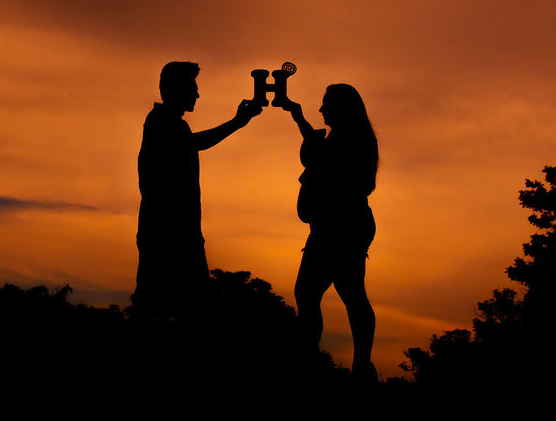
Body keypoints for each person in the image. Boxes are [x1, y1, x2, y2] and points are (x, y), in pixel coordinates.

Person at [134, 61, 262, 319]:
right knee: (173, 309)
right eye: (192, 87)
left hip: (178, 230)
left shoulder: (173, 124)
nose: (197, 94)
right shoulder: (161, 121)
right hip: (167, 230)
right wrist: (237, 122)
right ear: (175, 89)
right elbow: (195, 143)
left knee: (173, 307)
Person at [282, 83, 380, 380]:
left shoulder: (355, 139)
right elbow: (318, 150)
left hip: (342, 228)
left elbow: (327, 160)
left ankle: (358, 365)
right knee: (320, 293)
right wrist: (298, 118)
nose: (322, 109)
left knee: (342, 294)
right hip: (331, 228)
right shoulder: (345, 136)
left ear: (342, 108)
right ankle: (354, 364)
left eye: (326, 104)